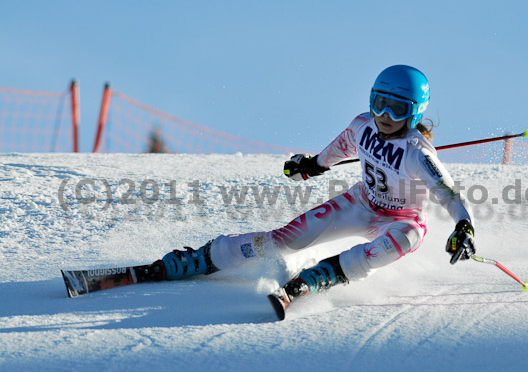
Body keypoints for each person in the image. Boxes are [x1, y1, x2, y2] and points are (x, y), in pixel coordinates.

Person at [151, 65, 476, 317]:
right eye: (380, 103)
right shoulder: (362, 126)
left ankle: (314, 279)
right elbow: (338, 148)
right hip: (361, 203)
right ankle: (202, 257)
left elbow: (449, 194)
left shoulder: (418, 154)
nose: (385, 116)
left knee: (404, 240)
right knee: (284, 240)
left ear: (415, 111)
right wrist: (312, 165)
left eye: (397, 109)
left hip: (401, 220)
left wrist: (464, 226)